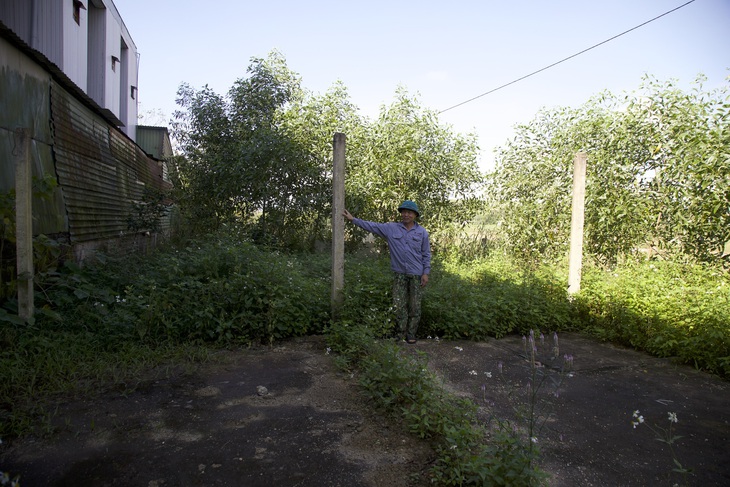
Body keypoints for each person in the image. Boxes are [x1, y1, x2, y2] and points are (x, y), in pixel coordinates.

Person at [342, 200, 431, 344]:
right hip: (399, 274)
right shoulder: (391, 228)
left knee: (415, 305)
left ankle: (411, 334)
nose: (406, 214)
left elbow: (426, 254)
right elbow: (372, 226)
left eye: (409, 212)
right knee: (399, 304)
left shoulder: (422, 232)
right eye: (404, 212)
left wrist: (425, 273)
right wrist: (353, 220)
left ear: (415, 215)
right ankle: (400, 334)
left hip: (416, 274)